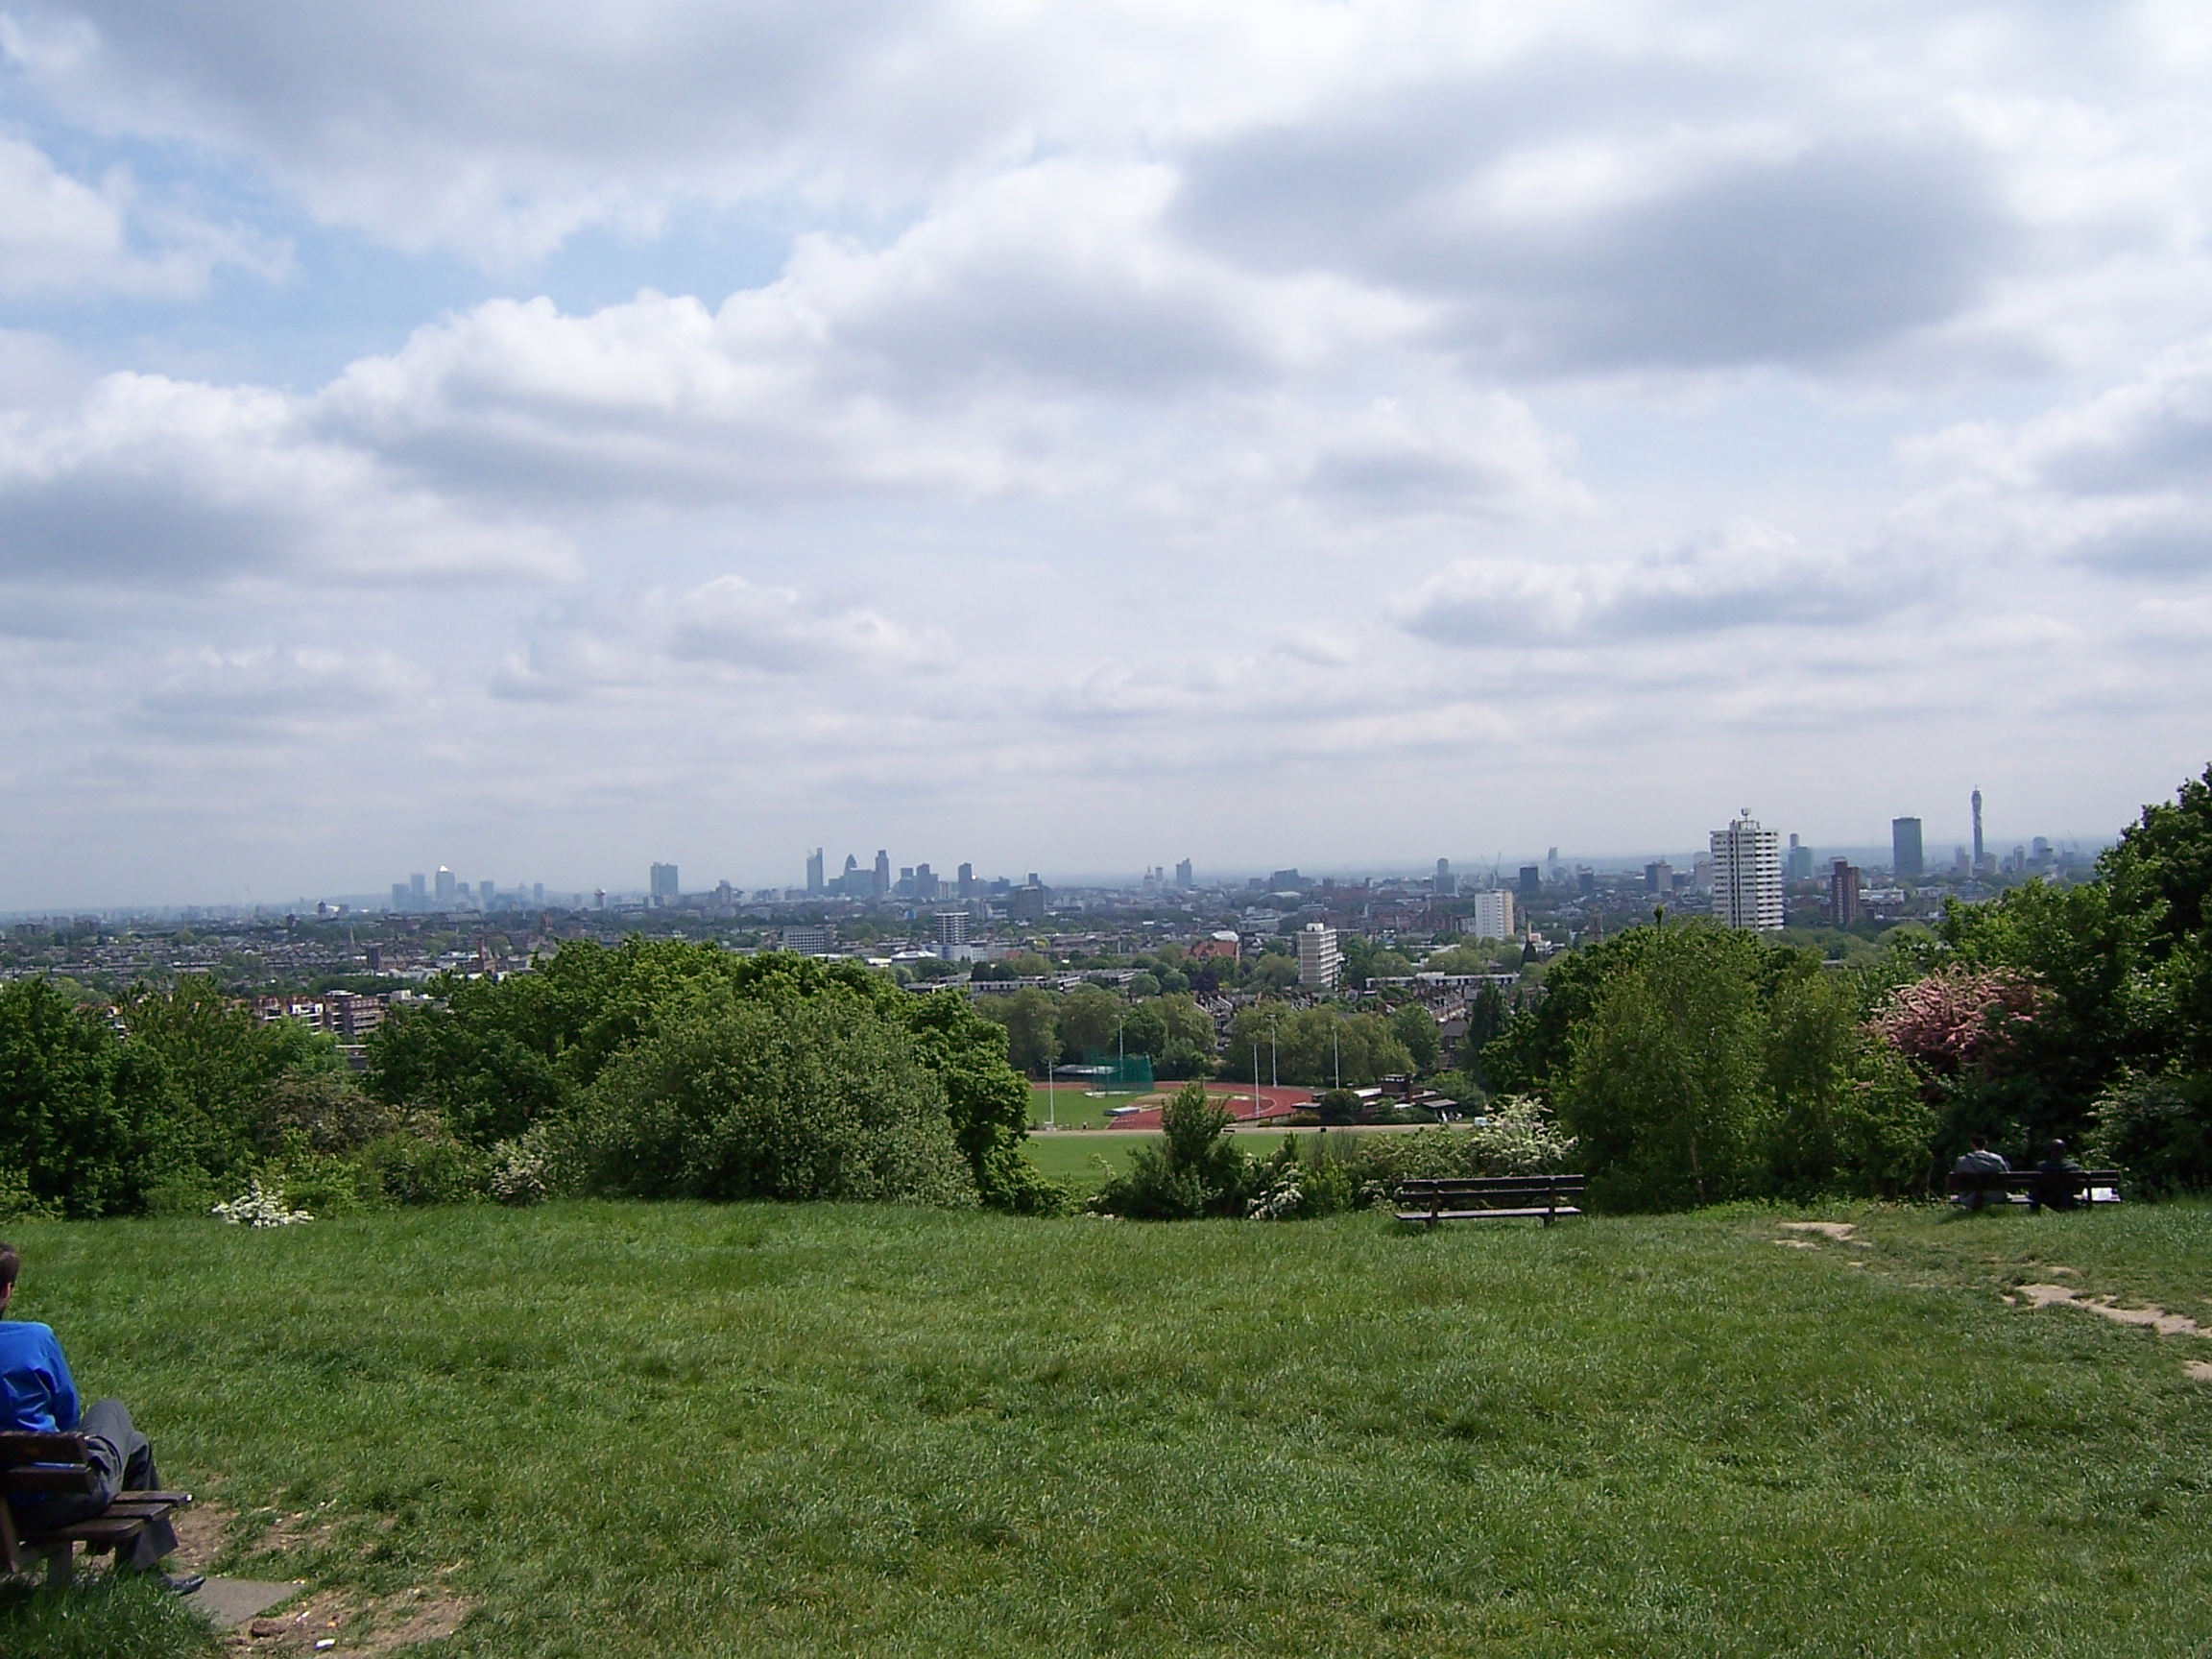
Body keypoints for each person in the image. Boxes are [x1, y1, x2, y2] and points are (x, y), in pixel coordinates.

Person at [0, 1241, 201, 1593]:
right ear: (6, 1289)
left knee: (136, 1446)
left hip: (6, 1507)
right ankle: (143, 1578)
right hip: (52, 1500)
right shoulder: (34, 1338)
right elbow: (68, 1414)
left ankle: (144, 1572)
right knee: (111, 1410)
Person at [1950, 1136, 2011, 1211]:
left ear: (1972, 1144)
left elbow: (1957, 1177)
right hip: (1996, 1196)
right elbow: (2006, 1174)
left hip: (1971, 1197)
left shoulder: (1962, 1161)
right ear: (1986, 1143)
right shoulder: (1997, 1159)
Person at [2032, 1141, 2086, 1214]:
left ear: (2051, 1151)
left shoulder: (2042, 1167)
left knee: (2035, 1195)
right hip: (2066, 1196)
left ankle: (2035, 1213)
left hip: (2046, 1197)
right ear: (2064, 1151)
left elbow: (2036, 1185)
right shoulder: (2073, 1167)